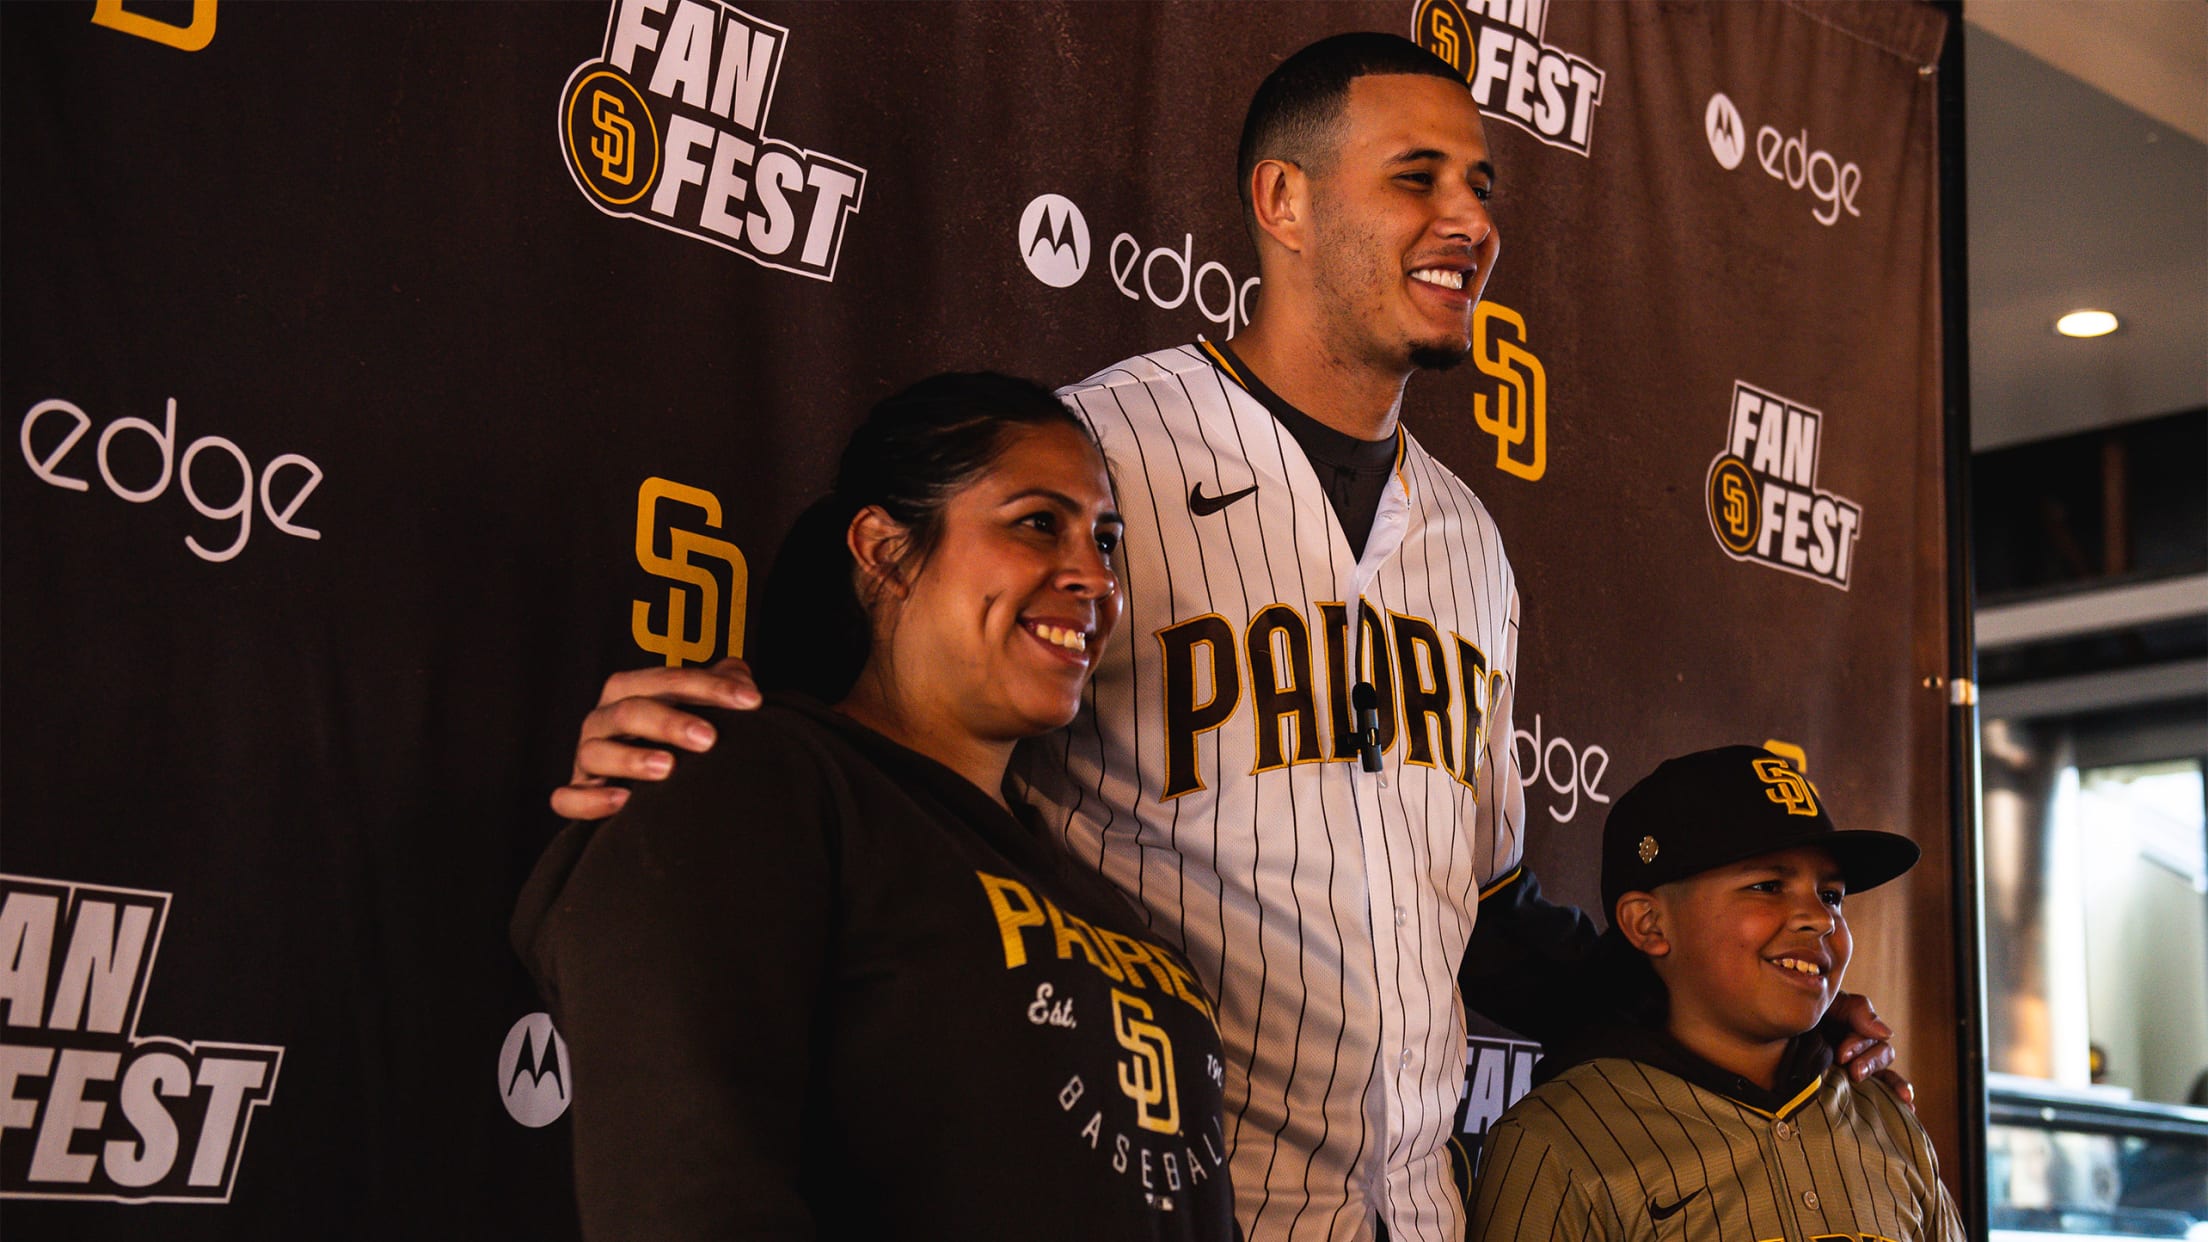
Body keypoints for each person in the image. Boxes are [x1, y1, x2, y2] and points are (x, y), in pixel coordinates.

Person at [546, 34, 1900, 1242]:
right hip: (1174, 1189)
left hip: (1421, 1207)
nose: (1468, 218)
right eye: (1415, 177)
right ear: (1283, 202)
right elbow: (871, 735)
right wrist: (696, 744)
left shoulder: (1472, 546)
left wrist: (1753, 1006)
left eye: (1483, 183)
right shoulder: (1102, 453)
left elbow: (1484, 919)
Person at [513, 373, 1237, 1240]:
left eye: (1106, 540)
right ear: (885, 551)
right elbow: (686, 1195)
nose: (1093, 577)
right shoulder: (754, 779)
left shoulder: (1101, 893)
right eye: (1038, 523)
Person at [1468, 747, 1966, 1241]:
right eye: (1768, 886)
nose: (1819, 917)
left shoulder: (1887, 1120)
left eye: (1831, 895)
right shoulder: (1557, 1142)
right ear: (1648, 923)